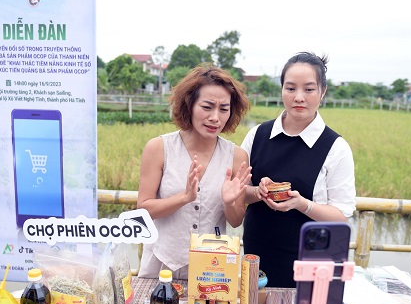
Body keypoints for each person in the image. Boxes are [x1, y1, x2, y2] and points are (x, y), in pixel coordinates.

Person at [241, 52, 356, 288]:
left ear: (323, 92)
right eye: (291, 88)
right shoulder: (258, 135)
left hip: (309, 261)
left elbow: (341, 216)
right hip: (257, 254)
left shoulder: (335, 147)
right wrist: (257, 192)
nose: (299, 97)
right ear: (282, 89)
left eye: (309, 89)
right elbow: (238, 191)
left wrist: (302, 204)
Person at [137, 64, 251, 279]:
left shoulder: (237, 156)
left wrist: (229, 202)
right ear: (189, 105)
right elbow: (143, 209)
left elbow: (236, 221)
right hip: (161, 263)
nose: (215, 117)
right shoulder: (159, 148)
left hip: (211, 269)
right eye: (207, 107)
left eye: (224, 109)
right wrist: (184, 197)